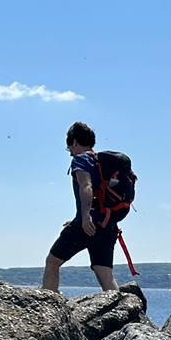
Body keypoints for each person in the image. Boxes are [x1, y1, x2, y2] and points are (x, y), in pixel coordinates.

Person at [43, 121, 120, 294]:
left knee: (52, 262)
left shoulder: (81, 160)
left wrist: (85, 217)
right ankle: (126, 312)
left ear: (75, 142)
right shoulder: (102, 164)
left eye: (69, 146)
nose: (70, 151)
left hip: (87, 225)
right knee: (105, 273)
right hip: (108, 226)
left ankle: (46, 308)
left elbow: (86, 186)